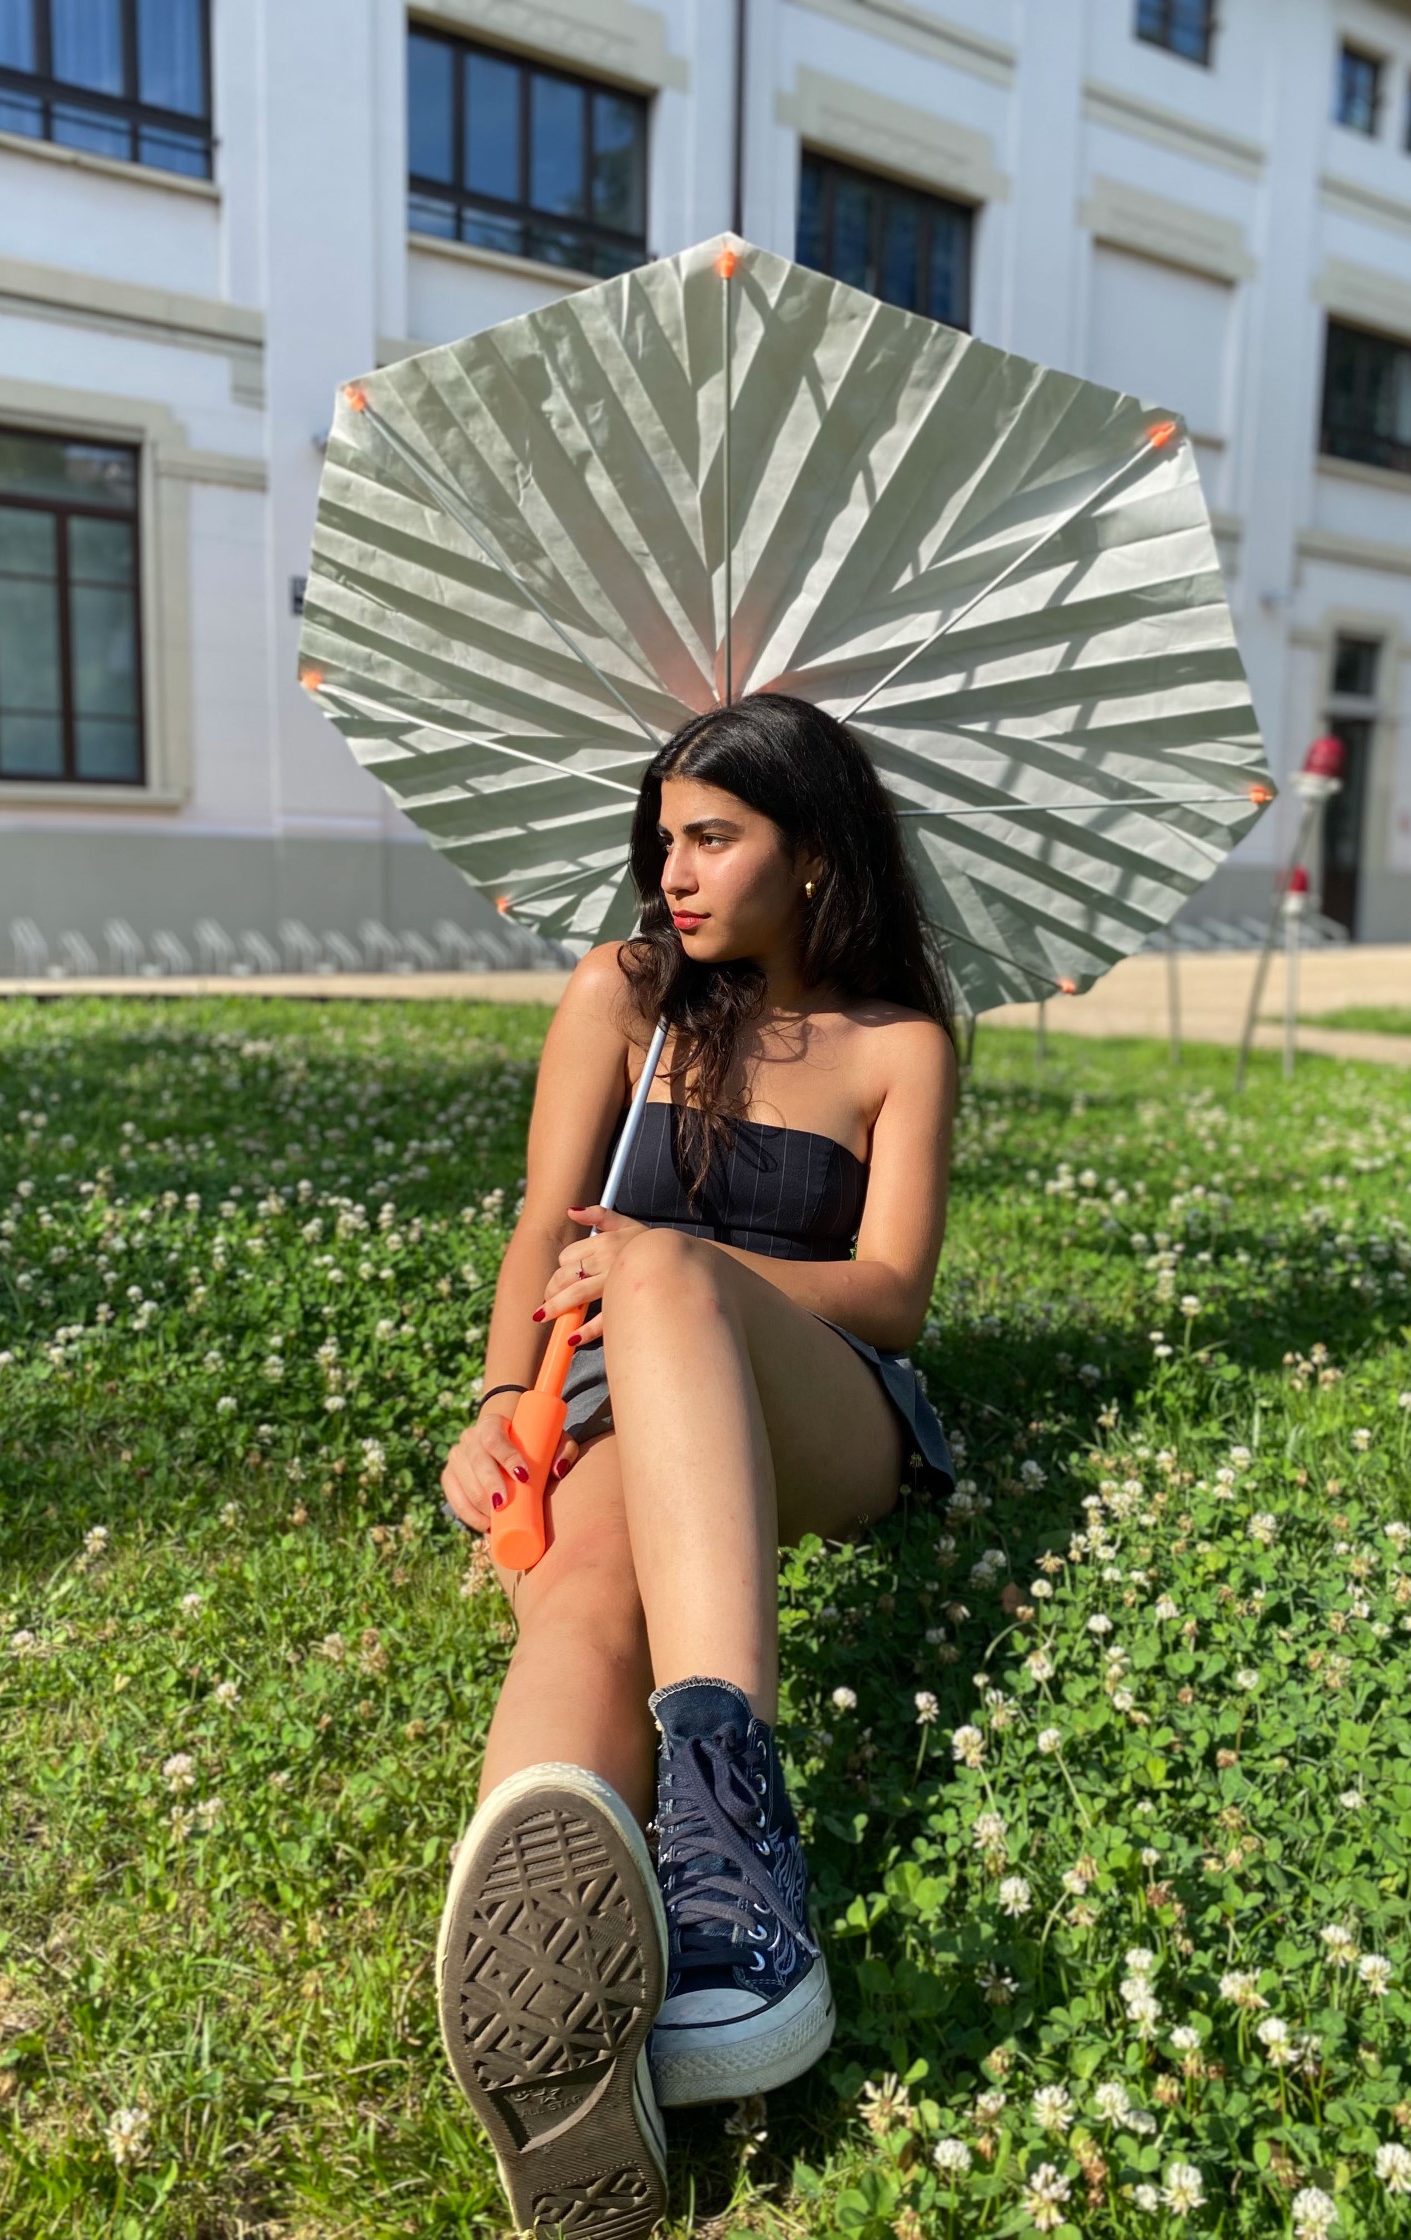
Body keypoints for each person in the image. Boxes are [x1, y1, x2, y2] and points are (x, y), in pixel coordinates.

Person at [433, 691, 960, 2238]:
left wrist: (689, 1267)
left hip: (824, 1404)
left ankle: (733, 1848)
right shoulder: (624, 997)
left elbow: (892, 1294)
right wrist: (499, 1398)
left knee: (660, 1267)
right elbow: (540, 1228)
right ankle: (564, 2040)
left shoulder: (898, 1045)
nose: (672, 871)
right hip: (610, 1388)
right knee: (590, 1592)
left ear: (814, 855)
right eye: (663, 838)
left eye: (714, 839)